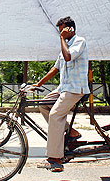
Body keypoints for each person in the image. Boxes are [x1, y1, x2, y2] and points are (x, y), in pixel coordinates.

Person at [33, 16, 89, 172]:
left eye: (63, 30)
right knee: (44, 105)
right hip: (63, 88)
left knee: (55, 116)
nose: (60, 33)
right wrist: (38, 84)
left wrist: (62, 39)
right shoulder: (64, 44)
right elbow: (55, 69)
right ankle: (70, 132)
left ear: (70, 29)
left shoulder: (79, 42)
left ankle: (55, 159)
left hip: (75, 89)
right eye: (60, 31)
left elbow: (68, 56)